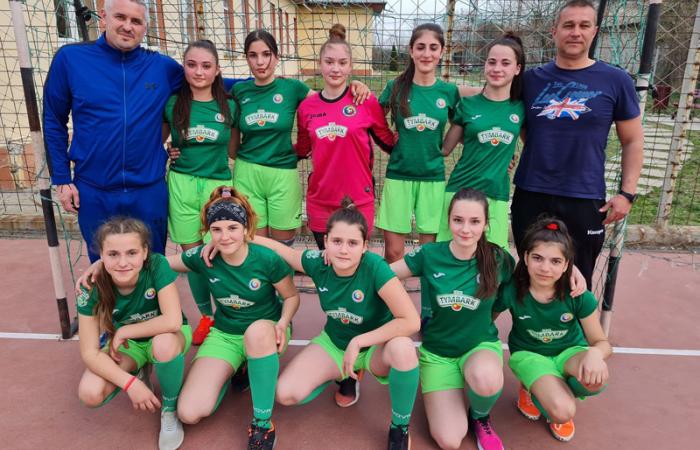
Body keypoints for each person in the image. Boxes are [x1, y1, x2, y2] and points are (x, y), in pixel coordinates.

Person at [207, 197, 420, 449]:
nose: (343, 250)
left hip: (376, 347)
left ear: (365, 246)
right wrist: (231, 240)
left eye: (352, 243)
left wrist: (359, 341)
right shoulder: (318, 263)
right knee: (285, 393)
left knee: (404, 349)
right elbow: (284, 252)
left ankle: (399, 427)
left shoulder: (375, 267)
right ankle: (345, 376)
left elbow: (411, 321)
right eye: (337, 241)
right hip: (335, 344)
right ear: (325, 242)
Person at [511, 0, 644, 288]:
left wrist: (627, 194)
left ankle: (576, 320)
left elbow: (632, 140)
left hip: (584, 195)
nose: (575, 32)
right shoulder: (530, 80)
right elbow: (520, 126)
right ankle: (530, 319)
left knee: (577, 279)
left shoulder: (616, 80)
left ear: (594, 31)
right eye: (568, 25)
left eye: (584, 25)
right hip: (532, 191)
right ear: (554, 31)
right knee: (531, 274)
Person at [170, 186, 299, 450]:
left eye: (232, 228)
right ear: (208, 231)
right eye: (216, 229)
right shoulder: (204, 256)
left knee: (256, 334)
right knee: (189, 412)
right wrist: (103, 263)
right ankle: (236, 368)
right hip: (226, 333)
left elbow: (291, 297)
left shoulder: (267, 259)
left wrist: (283, 323)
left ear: (245, 228)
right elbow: (159, 263)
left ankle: (262, 423)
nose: (225, 236)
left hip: (266, 330)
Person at [389, 188, 513, 450]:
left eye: (474, 221)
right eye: (458, 220)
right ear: (448, 220)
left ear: (486, 224)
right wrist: (341, 258)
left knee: (486, 379)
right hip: (438, 354)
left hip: (478, 346)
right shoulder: (430, 254)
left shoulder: (497, 258)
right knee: (449, 440)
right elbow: (384, 275)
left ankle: (480, 417)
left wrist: (572, 272)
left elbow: (532, 277)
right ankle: (445, 388)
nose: (466, 229)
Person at [232, 29, 370, 245]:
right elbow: (208, 86)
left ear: (277, 57)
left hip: (282, 172)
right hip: (247, 173)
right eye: (253, 55)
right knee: (255, 243)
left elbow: (330, 99)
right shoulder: (239, 90)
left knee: (283, 243)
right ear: (246, 58)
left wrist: (354, 84)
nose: (260, 62)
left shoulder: (292, 88)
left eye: (266, 54)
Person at [75, 217, 191, 450]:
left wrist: (125, 330)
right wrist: (130, 385)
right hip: (129, 346)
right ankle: (139, 372)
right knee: (90, 393)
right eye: (113, 254)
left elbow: (172, 321)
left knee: (163, 345)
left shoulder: (156, 265)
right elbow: (89, 353)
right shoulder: (90, 287)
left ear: (145, 252)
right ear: (101, 255)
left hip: (167, 335)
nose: (123, 262)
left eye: (131, 253)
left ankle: (170, 409)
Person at [493, 218, 611, 442]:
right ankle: (533, 388)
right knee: (563, 411)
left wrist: (595, 353)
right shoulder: (512, 291)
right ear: (526, 257)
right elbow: (485, 322)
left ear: (567, 265)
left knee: (598, 379)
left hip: (569, 353)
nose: (545, 268)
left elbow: (601, 342)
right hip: (529, 354)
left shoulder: (577, 295)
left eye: (555, 261)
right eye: (537, 258)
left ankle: (551, 389)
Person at [162, 40, 239, 345]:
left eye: (206, 66)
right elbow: (158, 142)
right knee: (193, 257)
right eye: (192, 65)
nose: (198, 72)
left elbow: (234, 151)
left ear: (217, 70)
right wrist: (167, 151)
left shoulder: (230, 106)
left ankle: (227, 315)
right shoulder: (172, 104)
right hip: (181, 184)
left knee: (219, 253)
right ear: (184, 67)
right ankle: (206, 316)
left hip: (216, 187)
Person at [295, 24, 396, 251]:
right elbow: (302, 149)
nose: (335, 69)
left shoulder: (364, 101)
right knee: (328, 261)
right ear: (320, 64)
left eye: (342, 63)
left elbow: (387, 141)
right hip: (321, 201)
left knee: (356, 263)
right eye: (329, 62)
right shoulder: (306, 108)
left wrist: (413, 133)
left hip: (358, 200)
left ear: (351, 66)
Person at [376, 23, 460, 263]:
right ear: (411, 51)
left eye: (433, 47)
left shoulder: (448, 91)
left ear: (442, 52)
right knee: (393, 254)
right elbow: (373, 119)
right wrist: (387, 142)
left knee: (429, 253)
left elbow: (463, 125)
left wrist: (446, 148)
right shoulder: (395, 87)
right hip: (398, 176)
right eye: (420, 47)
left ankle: (428, 290)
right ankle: (393, 289)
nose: (427, 54)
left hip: (433, 178)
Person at [440, 33, 525, 250]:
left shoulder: (520, 108)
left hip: (496, 193)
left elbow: (532, 145)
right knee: (451, 254)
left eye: (505, 63)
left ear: (517, 68)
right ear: (485, 64)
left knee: (494, 257)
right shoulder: (468, 105)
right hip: (461, 189)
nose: (497, 68)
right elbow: (445, 149)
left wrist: (508, 157)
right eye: (492, 62)